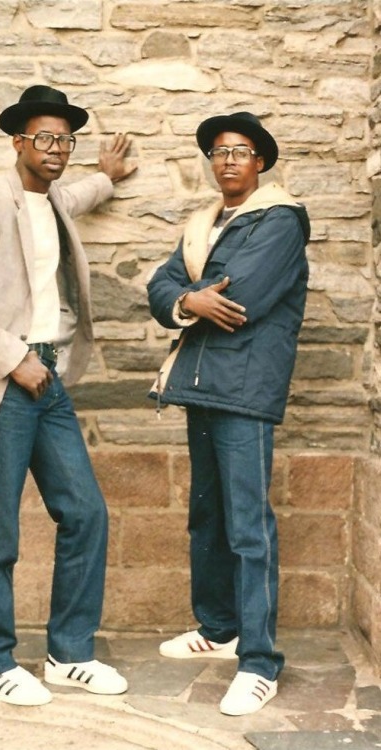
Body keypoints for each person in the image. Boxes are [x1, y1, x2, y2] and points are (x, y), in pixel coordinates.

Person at [0, 85, 136, 706]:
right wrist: (12, 358)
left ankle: (68, 653)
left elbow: (75, 192)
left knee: (86, 512)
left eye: (64, 140)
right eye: (43, 138)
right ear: (17, 141)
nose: (55, 149)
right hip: (8, 381)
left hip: (51, 382)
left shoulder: (55, 201)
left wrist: (107, 175)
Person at [147, 112, 310, 716]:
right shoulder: (203, 223)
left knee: (247, 526)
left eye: (240, 151)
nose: (228, 161)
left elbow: (241, 297)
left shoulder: (282, 221)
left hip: (244, 388)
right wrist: (189, 297)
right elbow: (161, 287)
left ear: (261, 162)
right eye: (218, 152)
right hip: (200, 385)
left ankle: (260, 662)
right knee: (206, 516)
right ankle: (219, 629)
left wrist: (191, 294)